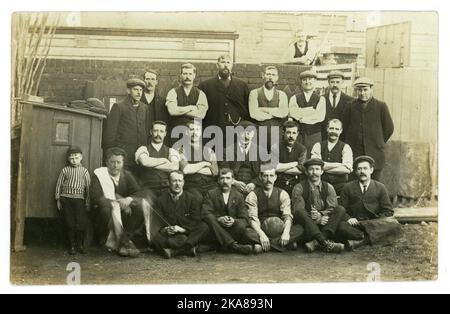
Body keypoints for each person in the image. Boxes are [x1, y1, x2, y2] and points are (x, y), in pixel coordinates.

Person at [90, 147, 152, 258]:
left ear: (123, 163)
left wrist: (129, 199)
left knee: (140, 206)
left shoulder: (126, 175)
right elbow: (96, 198)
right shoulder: (99, 175)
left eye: (118, 162)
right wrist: (118, 204)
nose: (115, 166)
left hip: (122, 213)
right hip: (104, 214)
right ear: (106, 162)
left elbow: (138, 192)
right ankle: (113, 241)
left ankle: (125, 239)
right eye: (112, 162)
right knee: (105, 210)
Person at [338, 156, 402, 250]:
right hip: (355, 224)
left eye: (365, 168)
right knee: (340, 227)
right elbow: (341, 208)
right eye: (359, 169)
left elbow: (388, 211)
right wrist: (349, 218)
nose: (362, 171)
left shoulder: (380, 187)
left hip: (374, 223)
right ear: (355, 171)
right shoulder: (348, 187)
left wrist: (376, 221)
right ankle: (371, 236)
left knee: (394, 224)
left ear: (371, 170)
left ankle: (361, 241)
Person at [291, 158, 349, 253]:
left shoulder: (329, 187)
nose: (314, 172)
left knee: (340, 209)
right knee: (300, 213)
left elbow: (332, 208)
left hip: (326, 224)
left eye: (317, 169)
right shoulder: (299, 187)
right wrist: (316, 219)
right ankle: (324, 242)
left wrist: (321, 215)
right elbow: (299, 211)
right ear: (306, 172)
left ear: (322, 171)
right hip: (307, 225)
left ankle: (315, 242)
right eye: (311, 169)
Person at [342, 77, 394, 181]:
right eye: (359, 90)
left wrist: (377, 141)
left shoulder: (381, 106)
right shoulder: (350, 106)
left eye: (365, 89)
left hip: (374, 152)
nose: (362, 93)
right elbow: (344, 128)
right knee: (354, 182)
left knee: (374, 184)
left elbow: (389, 128)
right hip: (355, 152)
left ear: (371, 89)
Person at [152, 171, 210, 259]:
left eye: (180, 181)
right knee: (154, 237)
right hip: (170, 235)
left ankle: (175, 251)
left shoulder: (191, 198)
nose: (177, 184)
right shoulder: (161, 200)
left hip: (187, 233)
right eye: (174, 181)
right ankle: (189, 248)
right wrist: (165, 229)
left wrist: (182, 230)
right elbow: (157, 222)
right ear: (168, 182)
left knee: (204, 226)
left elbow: (196, 220)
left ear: (183, 182)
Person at [245, 167, 304, 253]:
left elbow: (287, 216)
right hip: (260, 228)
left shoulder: (282, 193)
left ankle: (264, 245)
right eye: (265, 176)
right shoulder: (253, 195)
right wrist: (262, 235)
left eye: (271, 176)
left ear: (275, 177)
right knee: (245, 231)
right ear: (260, 177)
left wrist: (286, 233)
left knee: (300, 229)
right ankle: (283, 244)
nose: (269, 179)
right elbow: (252, 219)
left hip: (279, 230)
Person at [201, 168, 254, 255]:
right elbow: (205, 213)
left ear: (233, 180)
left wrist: (234, 221)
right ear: (218, 180)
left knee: (241, 226)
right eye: (222, 178)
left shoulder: (239, 196)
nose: (225, 181)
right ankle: (233, 246)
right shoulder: (211, 194)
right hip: (215, 228)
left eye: (228, 178)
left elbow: (244, 218)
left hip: (231, 229)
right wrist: (219, 219)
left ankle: (216, 246)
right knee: (208, 220)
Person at [102, 78, 149, 173]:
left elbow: (146, 130)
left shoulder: (144, 108)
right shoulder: (119, 107)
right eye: (136, 89)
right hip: (123, 156)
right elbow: (110, 135)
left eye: (141, 90)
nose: (139, 93)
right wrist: (113, 155)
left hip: (140, 156)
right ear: (128, 91)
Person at [199, 54, 250, 134]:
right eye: (222, 62)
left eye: (228, 62)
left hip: (236, 130)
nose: (226, 65)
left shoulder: (242, 85)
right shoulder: (205, 86)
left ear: (232, 65)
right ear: (217, 65)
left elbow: (247, 109)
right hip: (213, 130)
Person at [55, 146, 91, 255]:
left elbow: (88, 188)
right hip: (66, 199)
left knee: (80, 223)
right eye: (71, 158)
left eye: (76, 157)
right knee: (69, 223)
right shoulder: (65, 170)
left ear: (81, 158)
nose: (74, 160)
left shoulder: (84, 171)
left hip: (79, 200)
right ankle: (72, 246)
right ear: (68, 159)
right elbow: (59, 185)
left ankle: (80, 244)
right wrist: (58, 199)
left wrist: (88, 202)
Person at [166, 63, 208, 143]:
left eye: (190, 74)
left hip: (194, 135)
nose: (187, 77)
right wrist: (191, 108)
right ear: (180, 75)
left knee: (193, 155)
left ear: (194, 75)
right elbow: (172, 111)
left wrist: (179, 111)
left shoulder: (201, 94)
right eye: (185, 74)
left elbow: (201, 114)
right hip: (176, 134)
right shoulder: (173, 92)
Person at [249, 65, 289, 150]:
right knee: (260, 157)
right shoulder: (254, 93)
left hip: (276, 132)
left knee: (275, 158)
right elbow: (254, 114)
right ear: (263, 76)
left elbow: (283, 113)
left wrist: (263, 109)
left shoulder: (281, 94)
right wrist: (275, 113)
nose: (270, 77)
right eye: (268, 74)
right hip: (259, 131)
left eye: (273, 75)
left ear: (277, 78)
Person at [135, 121, 180, 195]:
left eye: (161, 131)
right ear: (151, 132)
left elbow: (175, 167)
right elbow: (144, 162)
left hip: (166, 190)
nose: (158, 134)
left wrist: (151, 164)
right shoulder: (143, 149)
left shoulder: (171, 151)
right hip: (147, 190)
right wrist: (164, 160)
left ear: (165, 133)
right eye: (155, 131)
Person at [178, 120, 219, 202]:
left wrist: (193, 168)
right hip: (192, 186)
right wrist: (205, 163)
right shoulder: (181, 150)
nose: (194, 133)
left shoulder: (209, 150)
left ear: (201, 132)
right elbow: (186, 170)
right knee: (197, 199)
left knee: (217, 197)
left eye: (197, 130)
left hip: (210, 185)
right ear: (186, 132)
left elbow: (215, 171)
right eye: (191, 129)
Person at [311, 119, 353, 196]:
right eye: (331, 128)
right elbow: (315, 167)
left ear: (341, 131)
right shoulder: (318, 145)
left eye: (337, 129)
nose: (334, 131)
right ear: (327, 129)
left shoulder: (346, 147)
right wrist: (339, 165)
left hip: (341, 186)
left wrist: (323, 166)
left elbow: (347, 169)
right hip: (321, 185)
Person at [289, 70, 326, 155]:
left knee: (313, 159)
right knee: (298, 157)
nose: (307, 82)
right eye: (304, 80)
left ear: (315, 81)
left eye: (310, 79)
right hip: (299, 135)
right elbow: (293, 113)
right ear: (301, 82)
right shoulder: (294, 98)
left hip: (314, 135)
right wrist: (311, 111)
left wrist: (301, 116)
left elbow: (320, 117)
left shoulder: (321, 99)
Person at [221, 120, 261, 196]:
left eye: (249, 133)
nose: (246, 136)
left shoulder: (261, 151)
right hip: (233, 187)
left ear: (253, 134)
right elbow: (223, 171)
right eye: (242, 133)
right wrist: (234, 182)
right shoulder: (227, 151)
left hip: (255, 188)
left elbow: (265, 173)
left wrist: (254, 184)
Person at [275, 121, 307, 196]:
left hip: (296, 184)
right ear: (283, 133)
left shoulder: (302, 149)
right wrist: (294, 163)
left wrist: (280, 168)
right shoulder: (275, 147)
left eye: (294, 133)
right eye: (288, 132)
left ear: (297, 134)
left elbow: (300, 170)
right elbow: (273, 167)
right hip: (278, 183)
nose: (291, 136)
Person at [321, 71, 353, 139]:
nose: (335, 85)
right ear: (328, 82)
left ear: (342, 82)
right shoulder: (321, 99)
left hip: (343, 139)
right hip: (324, 138)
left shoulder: (350, 101)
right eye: (332, 82)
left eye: (338, 82)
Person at [141, 69, 170, 137]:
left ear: (156, 82)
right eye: (147, 79)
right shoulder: (138, 99)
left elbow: (165, 123)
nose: (150, 82)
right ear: (143, 81)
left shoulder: (162, 102)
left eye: (152, 79)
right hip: (140, 137)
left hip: (156, 137)